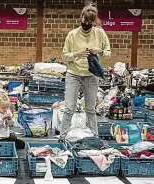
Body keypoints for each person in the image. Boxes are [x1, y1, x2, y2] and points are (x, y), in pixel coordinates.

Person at [59, 3, 111, 141]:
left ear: (93, 21)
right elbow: (64, 56)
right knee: (69, 108)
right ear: (81, 17)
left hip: (91, 75)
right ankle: (62, 137)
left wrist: (99, 51)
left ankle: (95, 137)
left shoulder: (100, 33)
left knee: (90, 109)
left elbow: (108, 54)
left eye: (89, 22)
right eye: (84, 21)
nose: (86, 24)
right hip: (73, 74)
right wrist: (78, 54)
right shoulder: (72, 34)